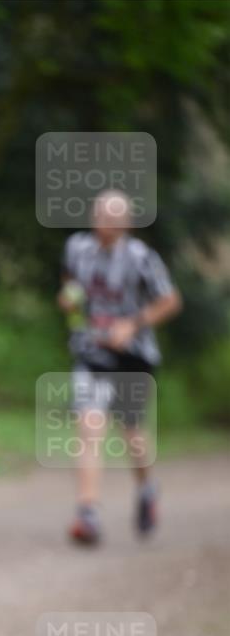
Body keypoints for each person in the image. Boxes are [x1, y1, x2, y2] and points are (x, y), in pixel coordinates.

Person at [57, 190, 182, 545]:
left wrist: (133, 324)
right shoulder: (77, 248)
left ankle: (147, 488)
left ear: (127, 222)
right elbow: (69, 286)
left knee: (132, 432)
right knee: (89, 425)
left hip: (133, 356)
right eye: (100, 215)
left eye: (114, 218)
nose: (106, 224)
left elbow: (170, 301)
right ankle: (88, 513)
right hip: (91, 351)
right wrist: (69, 300)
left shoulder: (141, 257)